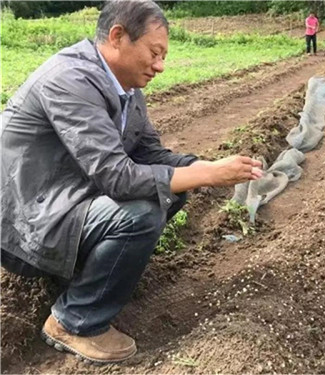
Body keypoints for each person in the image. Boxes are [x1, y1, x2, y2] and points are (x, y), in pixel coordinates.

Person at [0, 0, 262, 364]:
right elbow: (117, 177)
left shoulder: (126, 90)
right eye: (155, 53)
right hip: (26, 221)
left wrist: (206, 166)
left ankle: (90, 274)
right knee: (141, 211)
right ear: (118, 36)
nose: (161, 66)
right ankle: (74, 321)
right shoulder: (69, 79)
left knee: (171, 187)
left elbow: (149, 153)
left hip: (64, 200)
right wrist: (207, 174)